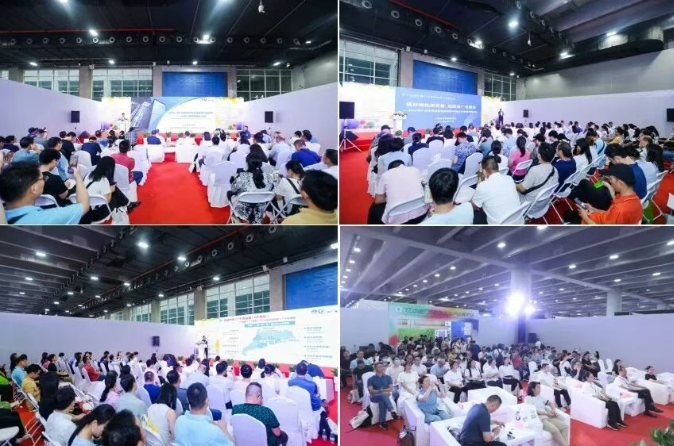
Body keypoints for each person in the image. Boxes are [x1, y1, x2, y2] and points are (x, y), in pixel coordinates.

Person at [572, 164, 643, 224]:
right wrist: (592, 208)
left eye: (610, 179)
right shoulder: (634, 199)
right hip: (596, 216)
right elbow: (610, 214)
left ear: (620, 182)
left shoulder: (620, 209)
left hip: (590, 223)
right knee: (571, 214)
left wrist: (585, 217)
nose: (610, 182)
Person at [368, 160, 425, 224]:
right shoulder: (415, 170)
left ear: (390, 169)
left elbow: (378, 200)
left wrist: (389, 198)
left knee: (374, 208)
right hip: (422, 213)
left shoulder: (385, 175)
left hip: (397, 220)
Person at [471, 156, 521, 224]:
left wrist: (480, 173)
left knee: (473, 215)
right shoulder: (509, 178)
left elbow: (473, 207)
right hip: (518, 221)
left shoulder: (483, 187)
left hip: (499, 226)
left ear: (484, 172)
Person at [229, 153, 274, 223]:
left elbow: (233, 190)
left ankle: (234, 217)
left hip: (243, 211)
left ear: (247, 163)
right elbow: (271, 189)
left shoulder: (241, 176)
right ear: (261, 164)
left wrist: (233, 179)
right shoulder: (268, 177)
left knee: (229, 193)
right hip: (260, 210)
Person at [366, 362, 397, 430]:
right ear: (375, 368)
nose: (381, 368)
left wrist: (382, 391)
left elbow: (391, 388)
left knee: (382, 402)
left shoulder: (388, 377)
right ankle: (392, 411)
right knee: (383, 395)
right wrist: (383, 392)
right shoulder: (371, 379)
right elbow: (371, 391)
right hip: (374, 396)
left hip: (384, 396)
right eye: (379, 367)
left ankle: (382, 422)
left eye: (382, 366)